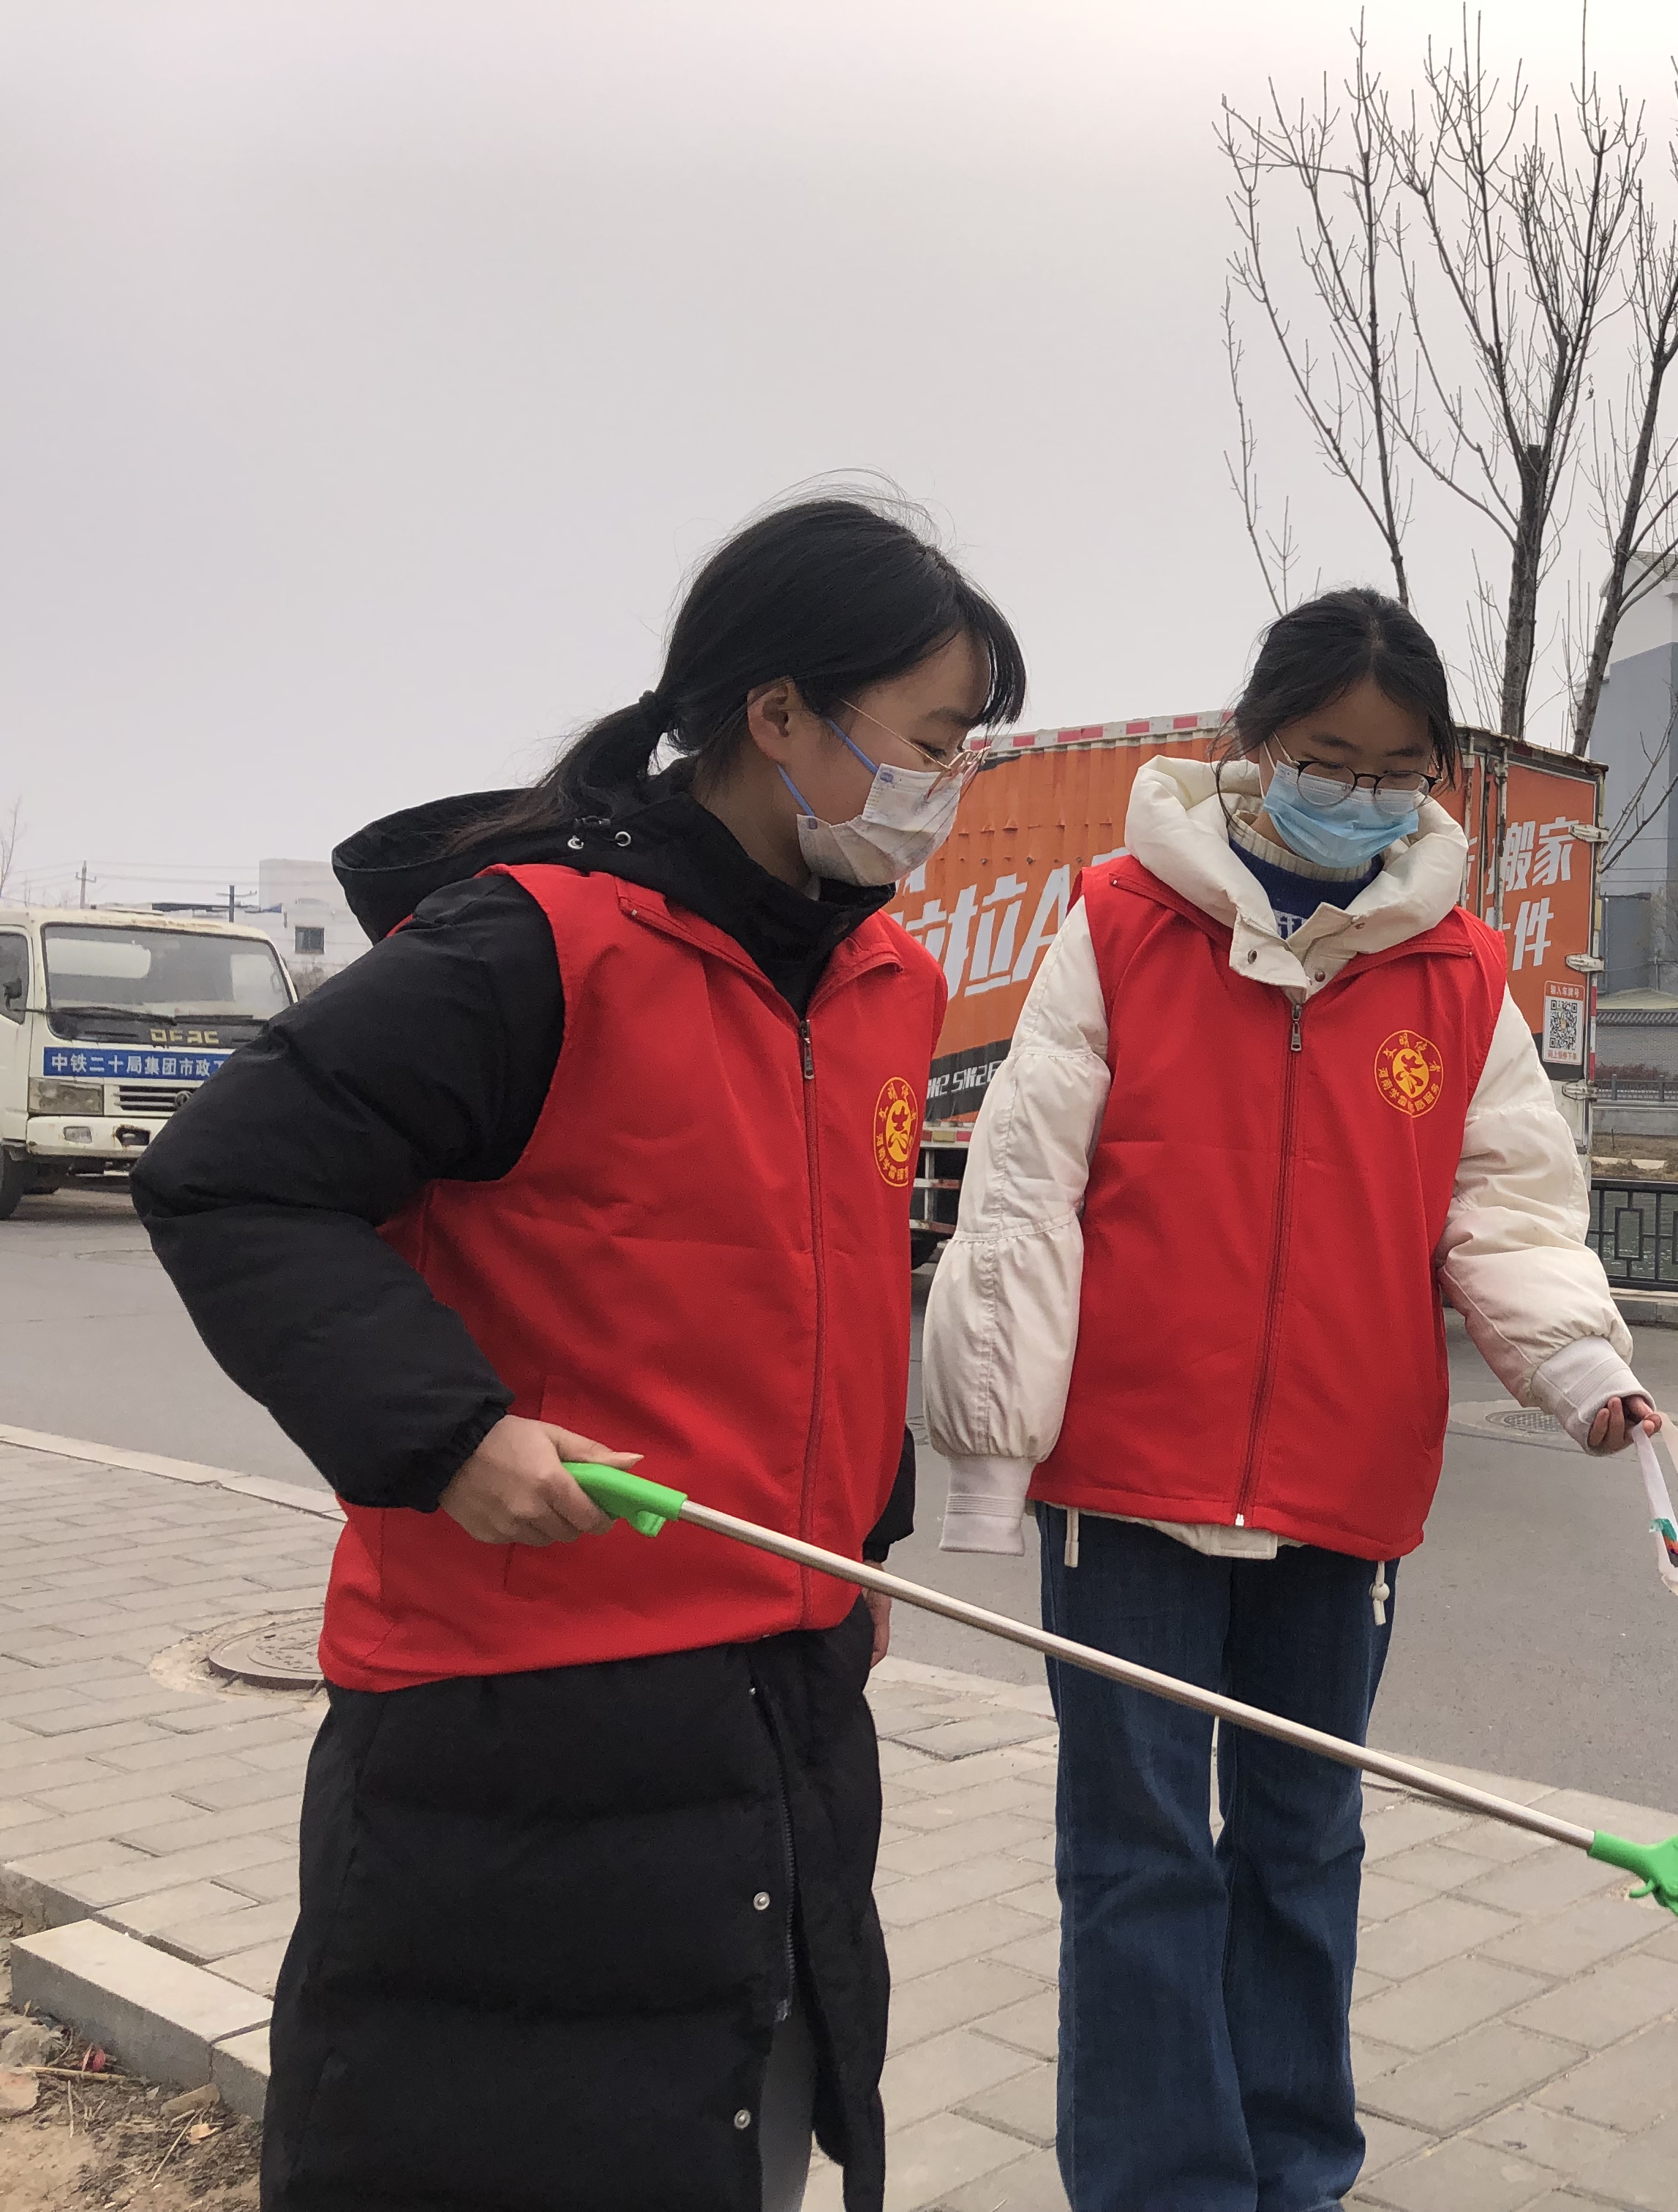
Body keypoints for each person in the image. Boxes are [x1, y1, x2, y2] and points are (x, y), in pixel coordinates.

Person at [133, 494, 1026, 2212]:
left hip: (780, 1685)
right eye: (927, 742)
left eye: (967, 751)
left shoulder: (884, 980)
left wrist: (867, 1537)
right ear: (777, 717)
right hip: (521, 1705)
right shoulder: (537, 946)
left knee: (741, 2125)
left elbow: (839, 1286)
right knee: (504, 2138)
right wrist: (452, 1433)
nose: (946, 789)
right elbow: (233, 1178)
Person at [919, 585, 1656, 2212]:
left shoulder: (1459, 971)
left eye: (1402, 771)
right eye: (1333, 756)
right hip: (1128, 1486)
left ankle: (1296, 2173)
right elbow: (1027, 1198)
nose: (1366, 792)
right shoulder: (1118, 922)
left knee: (1307, 1847)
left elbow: (1510, 1207)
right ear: (1256, 747)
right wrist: (992, 1455)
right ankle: (1160, 2186)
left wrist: (1583, 1368)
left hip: (1343, 1489)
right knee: (1139, 1860)